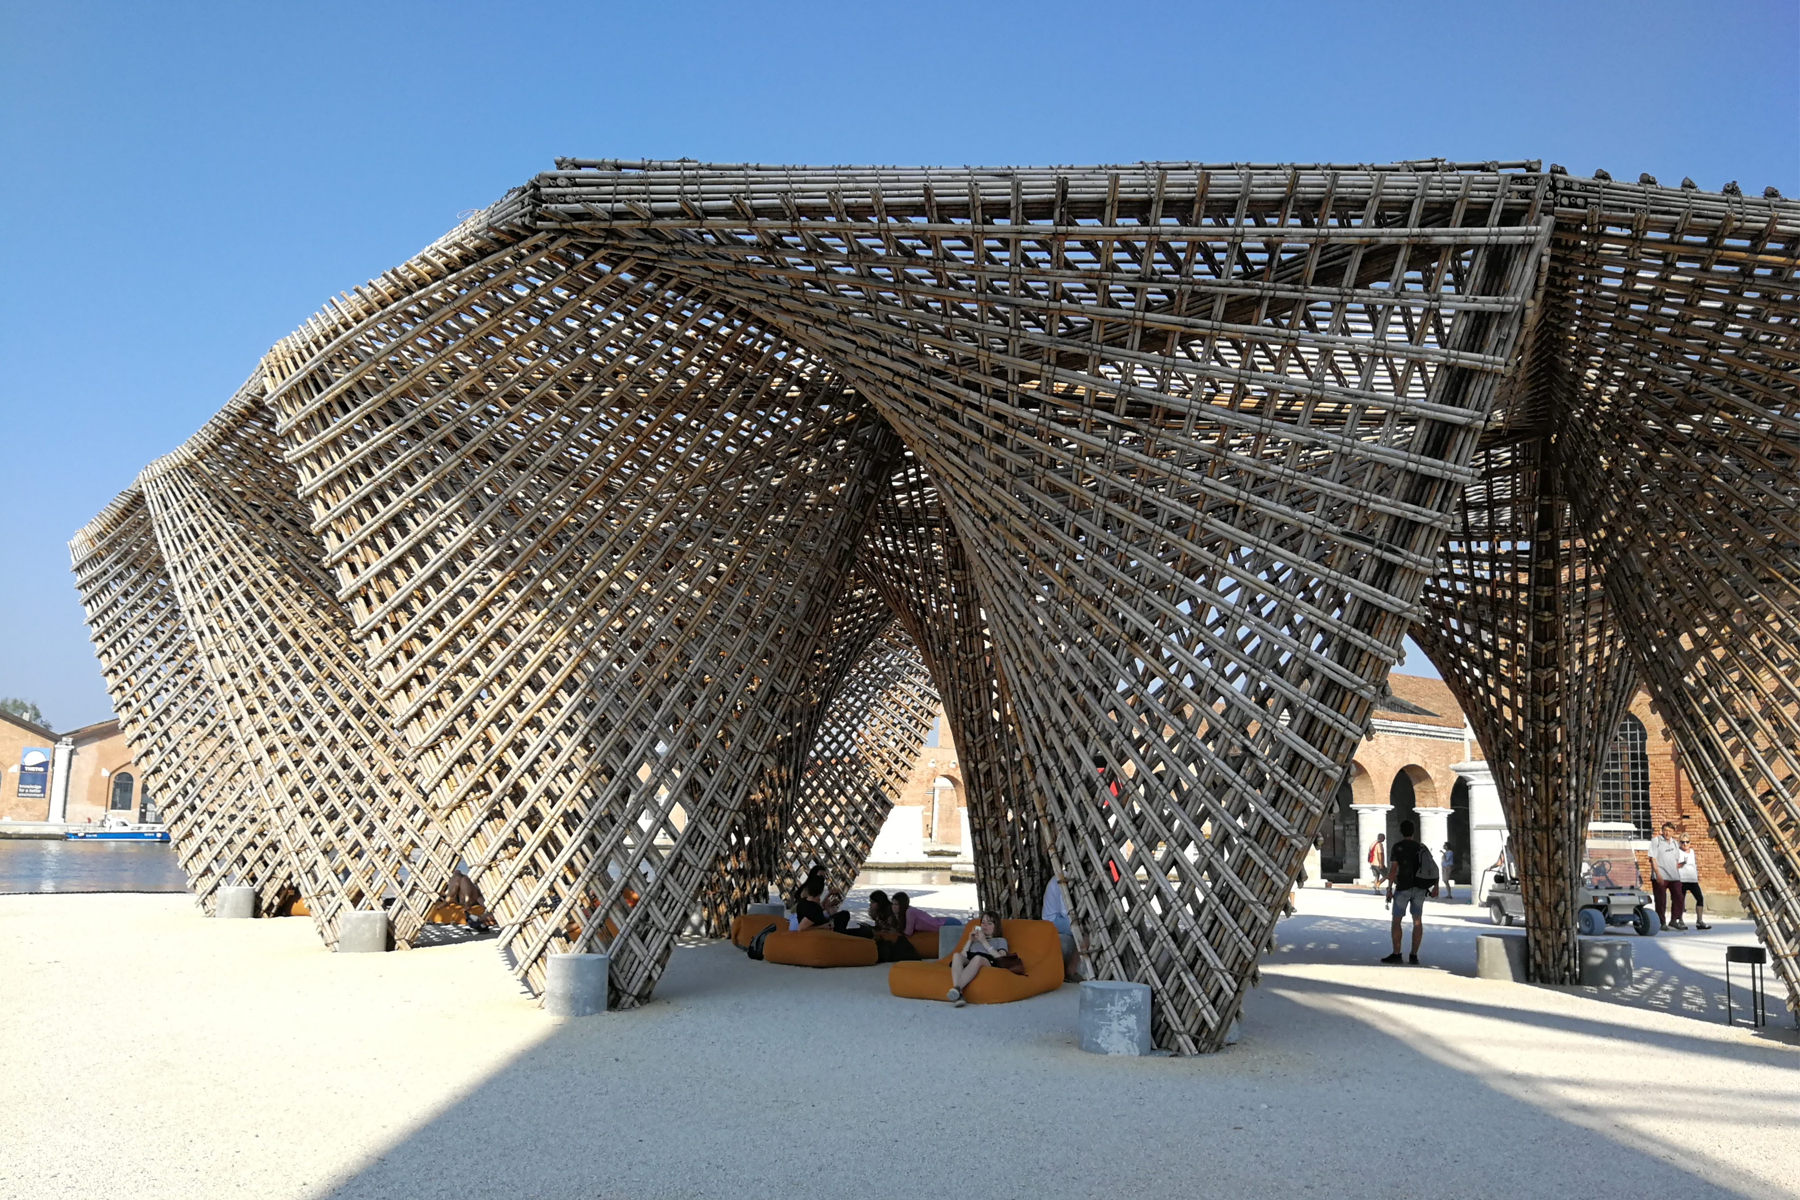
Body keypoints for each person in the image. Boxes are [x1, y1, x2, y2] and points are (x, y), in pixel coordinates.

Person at [1380, 819, 1434, 965]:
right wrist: (1433, 886)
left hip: (1403, 886)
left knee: (1397, 920)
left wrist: (1389, 888)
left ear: (1401, 831)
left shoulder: (1397, 847)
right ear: (1413, 832)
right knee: (1417, 920)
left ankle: (1397, 953)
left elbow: (1393, 870)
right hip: (1419, 887)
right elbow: (1430, 866)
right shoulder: (1421, 847)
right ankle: (1414, 955)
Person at [947, 910, 1008, 1007]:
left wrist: (984, 942)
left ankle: (957, 988)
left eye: (989, 923)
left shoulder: (1000, 940)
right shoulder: (974, 940)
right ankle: (958, 995)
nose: (985, 925)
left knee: (978, 958)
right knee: (956, 955)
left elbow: (1001, 957)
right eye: (983, 922)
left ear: (996, 927)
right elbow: (963, 956)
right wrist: (970, 940)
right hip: (970, 958)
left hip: (987, 959)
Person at [1041, 875, 1083, 982]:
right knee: (1083, 930)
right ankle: (1072, 967)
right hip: (1053, 920)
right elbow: (1065, 913)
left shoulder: (1064, 878)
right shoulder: (1061, 880)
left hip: (1060, 918)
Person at [1649, 821, 1686, 930]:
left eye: (1669, 831)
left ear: (1673, 832)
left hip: (1674, 876)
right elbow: (1652, 858)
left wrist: (1678, 869)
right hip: (1661, 875)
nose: (1667, 833)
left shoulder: (1675, 843)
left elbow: (1676, 860)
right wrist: (1657, 874)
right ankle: (1661, 922)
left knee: (1679, 897)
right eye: (1665, 830)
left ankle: (1674, 920)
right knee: (1661, 900)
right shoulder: (1656, 841)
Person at [1677, 837, 1711, 931]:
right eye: (1682, 842)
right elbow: (1674, 865)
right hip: (1682, 879)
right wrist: (1682, 864)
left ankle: (1699, 921)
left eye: (1687, 842)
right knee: (1681, 900)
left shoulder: (1692, 851)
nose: (1685, 844)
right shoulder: (1678, 852)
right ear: (1679, 843)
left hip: (1692, 880)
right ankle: (1680, 920)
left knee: (1700, 898)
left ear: (1690, 842)